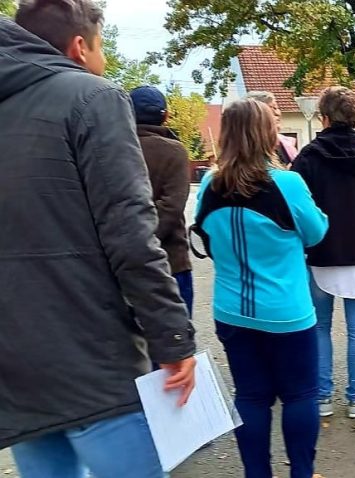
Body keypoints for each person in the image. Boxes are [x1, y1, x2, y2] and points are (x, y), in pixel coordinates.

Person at [1, 3, 196, 476]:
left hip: (14, 364)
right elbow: (131, 232)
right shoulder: (91, 97)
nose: (104, 61)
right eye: (103, 49)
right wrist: (173, 337)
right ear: (79, 46)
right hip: (91, 356)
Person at [195, 99, 328, 478]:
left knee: (251, 397)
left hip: (231, 309)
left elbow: (206, 234)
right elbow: (316, 232)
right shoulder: (287, 183)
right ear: (266, 133)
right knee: (299, 396)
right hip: (287, 310)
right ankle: (301, 472)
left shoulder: (209, 182)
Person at [292, 87, 355, 419]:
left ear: (323, 117)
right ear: (354, 118)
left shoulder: (307, 157)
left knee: (320, 327)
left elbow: (295, 206)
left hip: (319, 252)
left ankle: (323, 397)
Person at [130, 86, 194, 314]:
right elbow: (172, 207)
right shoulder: (174, 151)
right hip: (170, 261)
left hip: (124, 263)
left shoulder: (114, 147)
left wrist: (130, 243)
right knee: (178, 341)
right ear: (166, 116)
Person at [247, 90, 299, 165]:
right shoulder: (245, 149)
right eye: (271, 109)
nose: (277, 113)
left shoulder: (286, 145)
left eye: (276, 108)